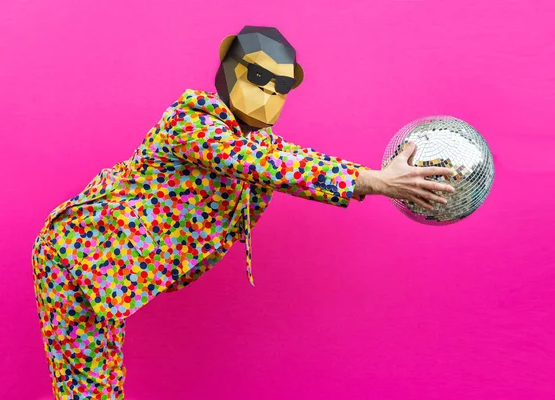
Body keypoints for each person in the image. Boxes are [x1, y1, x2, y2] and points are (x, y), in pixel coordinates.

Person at [31, 25, 455, 399]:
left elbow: (300, 162)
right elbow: (262, 165)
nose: (271, 92)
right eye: (258, 76)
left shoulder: (259, 142)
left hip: (109, 270)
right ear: (229, 69)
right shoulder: (191, 121)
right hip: (76, 258)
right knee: (88, 390)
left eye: (282, 86)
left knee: (100, 388)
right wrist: (377, 181)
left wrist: (379, 177)